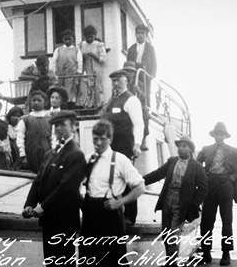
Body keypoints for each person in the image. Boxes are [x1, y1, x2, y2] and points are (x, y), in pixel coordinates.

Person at [22, 111, 86, 266]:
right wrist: (29, 205)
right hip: (49, 220)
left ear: (73, 127)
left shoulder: (76, 154)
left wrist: (43, 207)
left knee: (63, 263)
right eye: (56, 125)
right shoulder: (50, 154)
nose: (58, 129)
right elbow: (39, 181)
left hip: (64, 220)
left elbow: (67, 188)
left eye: (62, 125)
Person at [80, 119, 145, 266]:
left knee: (114, 260)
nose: (98, 143)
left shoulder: (120, 160)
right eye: (95, 139)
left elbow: (141, 187)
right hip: (90, 214)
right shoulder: (88, 159)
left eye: (103, 139)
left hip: (111, 214)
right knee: (87, 259)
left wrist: (120, 202)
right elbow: (74, 182)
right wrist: (81, 202)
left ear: (110, 139)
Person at [196, 122, 237, 265]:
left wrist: (235, 177)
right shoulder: (205, 149)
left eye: (222, 134)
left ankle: (226, 254)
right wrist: (204, 175)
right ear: (214, 135)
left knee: (227, 221)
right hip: (209, 187)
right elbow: (196, 166)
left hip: (226, 187)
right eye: (217, 134)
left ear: (225, 136)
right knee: (206, 222)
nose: (219, 136)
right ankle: (206, 253)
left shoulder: (234, 151)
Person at [143, 135, 208, 264]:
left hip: (182, 203)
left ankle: (172, 263)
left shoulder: (196, 166)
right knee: (166, 233)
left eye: (184, 146)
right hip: (167, 199)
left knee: (173, 234)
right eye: (179, 146)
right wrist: (139, 180)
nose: (180, 148)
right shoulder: (172, 161)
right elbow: (158, 174)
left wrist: (192, 204)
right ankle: (170, 260)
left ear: (190, 149)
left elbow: (203, 188)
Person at [101, 68, 144, 225]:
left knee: (127, 179)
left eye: (119, 80)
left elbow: (139, 124)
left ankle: (130, 216)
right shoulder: (111, 101)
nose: (116, 83)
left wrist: (137, 144)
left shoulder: (131, 100)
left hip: (124, 146)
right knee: (110, 177)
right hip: (110, 147)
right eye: (113, 81)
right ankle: (112, 211)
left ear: (126, 81)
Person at [16, 90, 51, 173]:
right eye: (33, 100)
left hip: (46, 153)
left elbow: (53, 138)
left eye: (39, 100)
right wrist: (22, 155)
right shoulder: (25, 119)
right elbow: (20, 138)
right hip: (30, 153)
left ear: (45, 102)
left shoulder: (49, 119)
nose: (36, 102)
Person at [51, 29, 83, 108]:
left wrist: (78, 74)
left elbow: (80, 62)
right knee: (61, 91)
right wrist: (54, 73)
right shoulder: (58, 50)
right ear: (63, 39)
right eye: (66, 39)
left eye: (70, 39)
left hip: (72, 75)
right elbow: (54, 62)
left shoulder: (76, 50)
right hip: (60, 75)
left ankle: (71, 106)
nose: (68, 41)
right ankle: (62, 106)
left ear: (73, 39)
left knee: (71, 92)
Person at [126, 23, 157, 106]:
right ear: (136, 35)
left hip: (145, 72)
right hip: (134, 71)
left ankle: (146, 108)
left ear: (146, 35)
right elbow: (128, 61)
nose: (140, 35)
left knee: (146, 91)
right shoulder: (131, 48)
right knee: (134, 89)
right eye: (138, 33)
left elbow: (154, 62)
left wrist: (152, 74)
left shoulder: (150, 48)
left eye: (142, 33)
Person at [122, 61, 150, 151]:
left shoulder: (139, 83)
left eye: (131, 72)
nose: (129, 74)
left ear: (134, 73)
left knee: (144, 114)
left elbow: (144, 97)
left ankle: (143, 139)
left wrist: (139, 91)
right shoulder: (122, 83)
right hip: (125, 105)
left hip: (138, 105)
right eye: (127, 72)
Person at [79, 25, 107, 108]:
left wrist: (94, 56)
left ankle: (99, 105)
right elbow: (78, 57)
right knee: (87, 86)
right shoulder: (82, 45)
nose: (89, 39)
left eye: (91, 37)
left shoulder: (98, 44)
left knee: (98, 87)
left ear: (95, 36)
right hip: (86, 68)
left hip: (96, 68)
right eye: (87, 37)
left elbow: (103, 58)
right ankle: (88, 105)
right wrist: (82, 57)